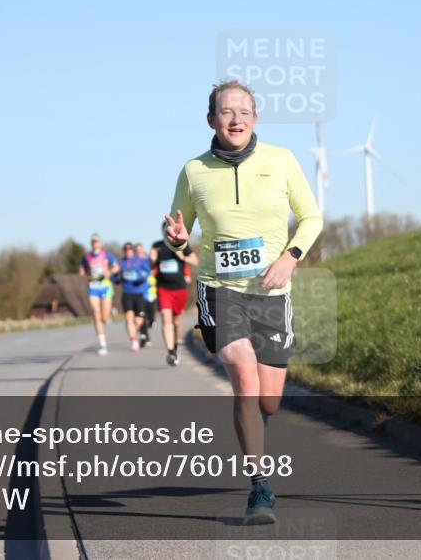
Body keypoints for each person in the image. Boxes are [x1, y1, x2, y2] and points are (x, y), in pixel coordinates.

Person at [163, 79, 323, 525]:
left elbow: (311, 218)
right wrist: (175, 238)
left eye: (244, 111)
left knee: (269, 401)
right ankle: (260, 486)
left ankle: (256, 427)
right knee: (245, 380)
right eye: (226, 111)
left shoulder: (281, 160)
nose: (236, 119)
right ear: (211, 119)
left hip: (271, 293)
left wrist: (290, 258)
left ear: (256, 118)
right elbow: (178, 231)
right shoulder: (194, 170)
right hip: (220, 290)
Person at [151, 235, 199, 366]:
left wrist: (182, 257)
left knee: (176, 321)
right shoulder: (157, 246)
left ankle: (175, 344)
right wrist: (152, 259)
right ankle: (171, 351)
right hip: (163, 288)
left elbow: (195, 261)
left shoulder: (182, 245)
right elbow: (150, 267)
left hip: (179, 289)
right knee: (166, 319)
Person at [79, 235, 119, 355]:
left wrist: (110, 271)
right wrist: (82, 272)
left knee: (105, 317)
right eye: (93, 242)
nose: (95, 244)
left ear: (100, 243)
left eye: (96, 241)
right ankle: (102, 343)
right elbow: (83, 269)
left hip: (105, 286)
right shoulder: (86, 256)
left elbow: (117, 267)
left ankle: (105, 319)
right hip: (93, 287)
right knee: (95, 312)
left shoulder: (106, 255)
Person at [118, 242, 151, 352]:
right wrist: (117, 278)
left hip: (139, 293)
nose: (128, 251)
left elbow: (148, 272)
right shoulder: (120, 262)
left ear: (132, 251)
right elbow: (115, 276)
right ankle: (133, 341)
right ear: (124, 251)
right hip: (127, 293)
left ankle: (137, 328)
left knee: (138, 320)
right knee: (128, 318)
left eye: (129, 249)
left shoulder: (140, 261)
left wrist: (140, 277)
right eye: (125, 249)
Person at [136, 243, 157, 348]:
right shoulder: (137, 268)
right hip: (141, 295)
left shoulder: (152, 268)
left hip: (152, 296)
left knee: (151, 317)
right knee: (142, 316)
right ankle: (145, 336)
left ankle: (150, 324)